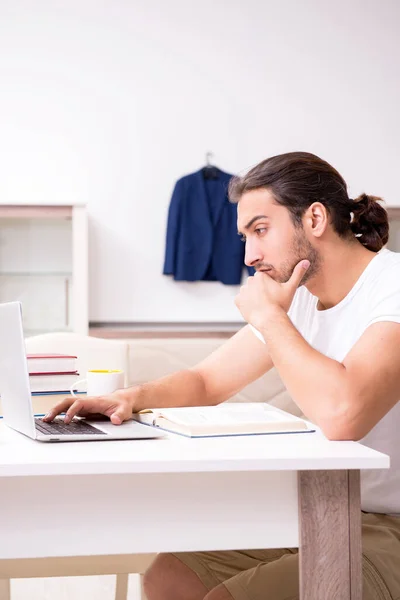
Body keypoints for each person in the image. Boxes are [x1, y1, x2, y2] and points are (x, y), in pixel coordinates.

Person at [44, 152, 400, 600]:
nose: (250, 256)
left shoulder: (390, 290)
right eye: (245, 236)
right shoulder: (301, 296)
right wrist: (129, 397)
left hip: (389, 524)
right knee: (168, 577)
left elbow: (344, 416)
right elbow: (207, 381)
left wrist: (271, 318)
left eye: (261, 230)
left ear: (314, 218)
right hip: (322, 505)